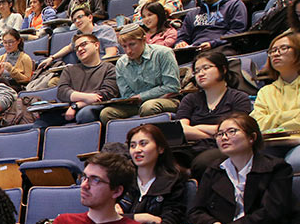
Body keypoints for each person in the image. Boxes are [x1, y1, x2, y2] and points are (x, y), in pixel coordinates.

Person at [189, 112, 299, 224]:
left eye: (232, 132)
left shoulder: (277, 168)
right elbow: (195, 211)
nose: (224, 137)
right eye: (220, 134)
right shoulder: (214, 171)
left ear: (252, 137)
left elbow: (271, 213)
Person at [176, 50, 253, 178]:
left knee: (203, 162)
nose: (200, 74)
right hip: (191, 147)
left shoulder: (239, 98)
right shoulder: (190, 99)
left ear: (223, 69)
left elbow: (238, 129)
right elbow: (181, 129)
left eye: (206, 68)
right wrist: (216, 133)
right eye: (197, 71)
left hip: (223, 146)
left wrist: (197, 128)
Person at [101, 23, 181, 124]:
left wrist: (142, 96)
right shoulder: (121, 63)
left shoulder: (163, 53)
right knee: (106, 113)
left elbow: (172, 86)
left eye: (132, 44)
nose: (128, 51)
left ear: (143, 40)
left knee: (148, 107)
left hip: (166, 99)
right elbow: (126, 93)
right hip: (137, 105)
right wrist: (130, 99)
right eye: (124, 47)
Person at [119, 124, 187, 224]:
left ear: (160, 148)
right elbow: (105, 219)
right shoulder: (123, 179)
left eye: (143, 144)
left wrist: (124, 221)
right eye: (132, 145)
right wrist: (142, 218)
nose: (137, 150)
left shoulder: (173, 182)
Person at [252, 31, 300, 171]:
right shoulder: (266, 92)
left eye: (283, 48)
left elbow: (265, 122)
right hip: (271, 144)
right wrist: (292, 116)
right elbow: (257, 124)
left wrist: (273, 119)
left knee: (292, 162)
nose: (276, 54)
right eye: (272, 51)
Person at [175, 0, 248, 51]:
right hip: (195, 51)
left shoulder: (234, 5)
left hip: (222, 49)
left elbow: (237, 32)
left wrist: (213, 44)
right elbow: (182, 36)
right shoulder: (192, 14)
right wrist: (181, 43)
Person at [56, 33, 120, 124]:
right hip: (68, 109)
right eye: (76, 48)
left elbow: (106, 94)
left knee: (85, 114)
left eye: (83, 44)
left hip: (95, 107)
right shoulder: (69, 69)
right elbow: (62, 92)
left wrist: (77, 105)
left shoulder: (109, 68)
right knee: (43, 121)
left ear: (96, 45)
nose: (79, 49)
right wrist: (87, 97)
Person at [39, 7, 119, 68]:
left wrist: (94, 66)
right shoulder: (78, 35)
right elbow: (69, 48)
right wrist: (52, 58)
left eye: (80, 17)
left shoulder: (105, 30)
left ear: (90, 17)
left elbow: (111, 53)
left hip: (104, 67)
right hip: (85, 69)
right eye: (74, 20)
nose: (77, 21)